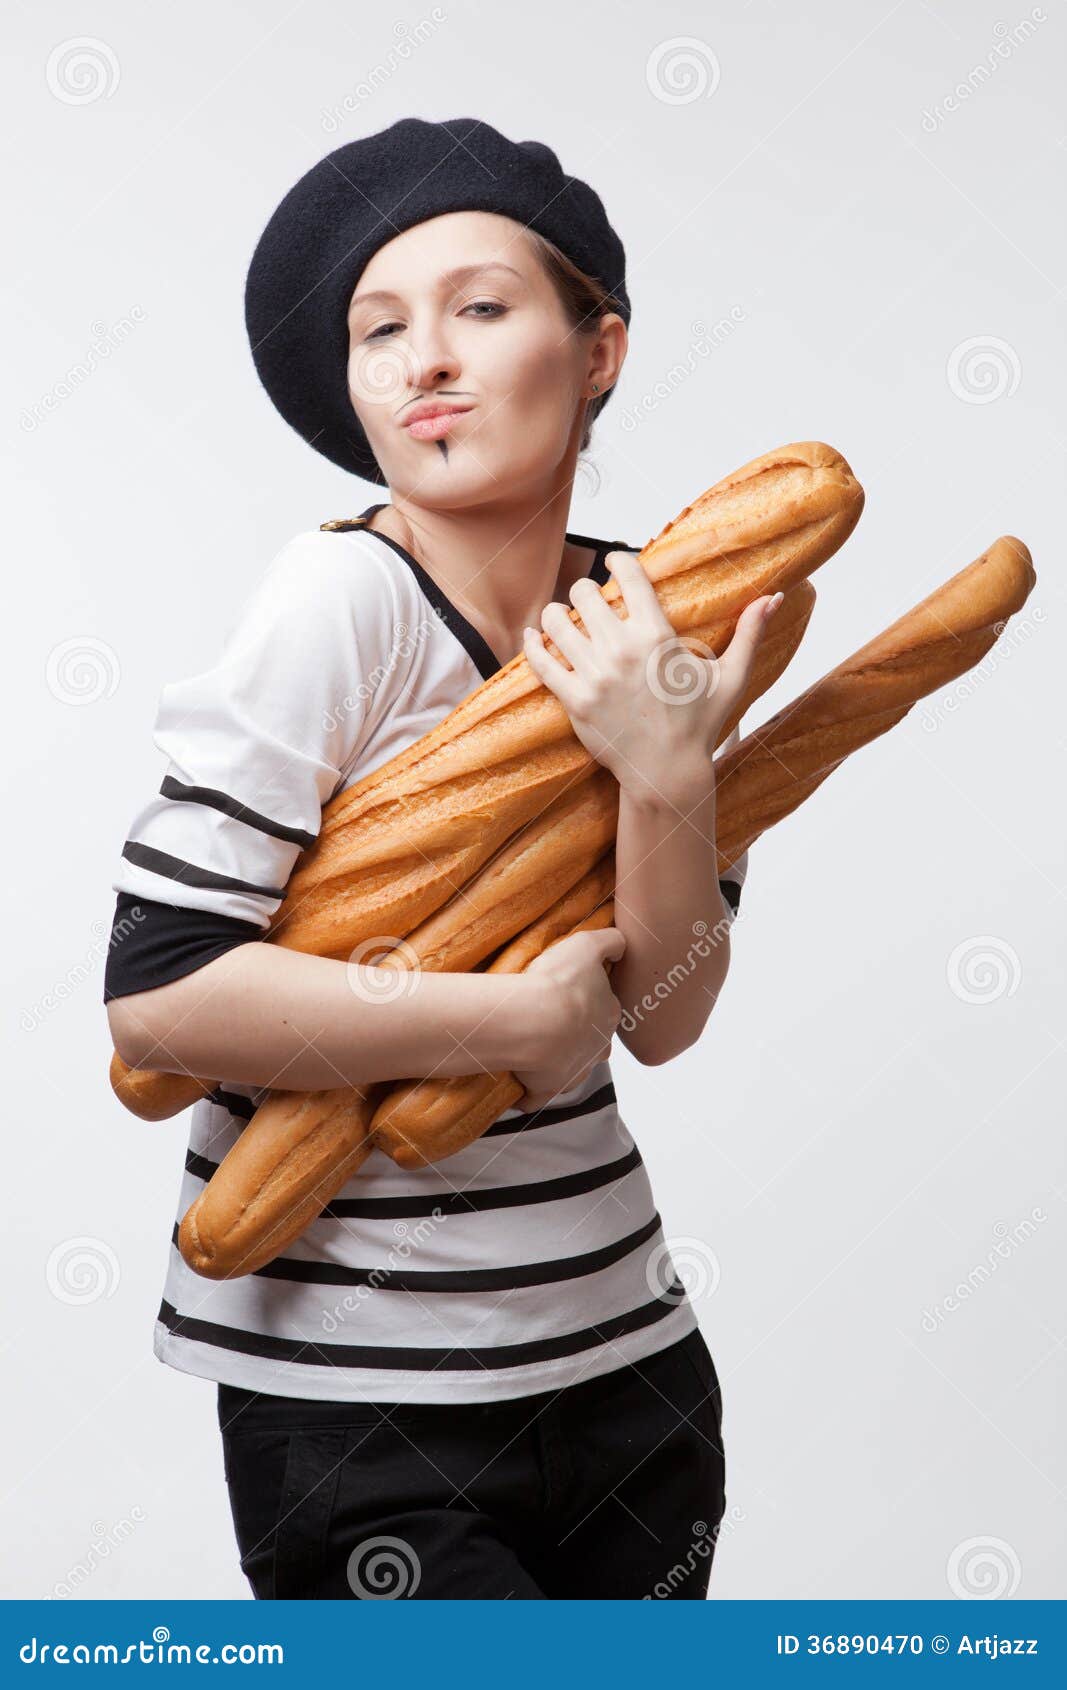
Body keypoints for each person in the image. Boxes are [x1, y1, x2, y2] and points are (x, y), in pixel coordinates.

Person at [103, 117, 778, 1600]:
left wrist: (666, 775)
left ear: (597, 349)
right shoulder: (340, 601)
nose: (425, 361)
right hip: (358, 1407)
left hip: (631, 1371)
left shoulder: (647, 616)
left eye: (480, 307)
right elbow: (156, 1004)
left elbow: (665, 1015)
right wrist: (503, 1022)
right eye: (379, 330)